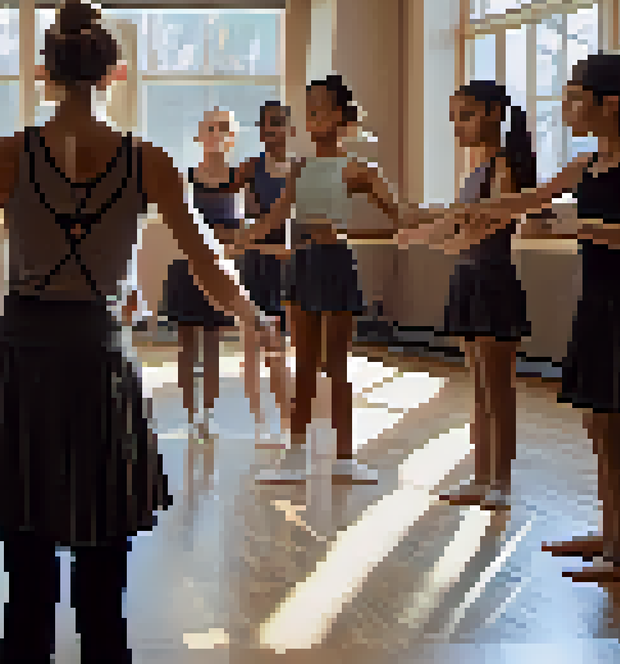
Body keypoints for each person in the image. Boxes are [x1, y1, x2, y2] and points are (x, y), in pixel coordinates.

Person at [0, 0, 279, 663]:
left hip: (23, 363)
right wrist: (253, 316)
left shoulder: (1, 156)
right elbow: (208, 263)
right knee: (104, 585)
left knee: (28, 579)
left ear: (44, 73)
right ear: (113, 74)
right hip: (100, 363)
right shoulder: (147, 160)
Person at [402, 54, 620, 582]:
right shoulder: (583, 166)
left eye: (576, 97)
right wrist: (460, 218)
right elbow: (528, 201)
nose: (568, 107)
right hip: (596, 305)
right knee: (598, 428)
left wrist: (592, 229)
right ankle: (611, 532)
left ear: (610, 102)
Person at [237, 75, 426, 486]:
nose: (311, 117)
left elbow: (403, 216)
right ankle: (296, 454)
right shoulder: (300, 167)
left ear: (340, 115)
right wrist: (240, 237)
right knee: (301, 364)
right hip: (301, 265)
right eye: (308, 110)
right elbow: (274, 218)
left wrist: (458, 212)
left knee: (336, 366)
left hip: (336, 263)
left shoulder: (360, 170)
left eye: (319, 109)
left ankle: (344, 457)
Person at [424, 81, 534, 511]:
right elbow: (458, 225)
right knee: (478, 389)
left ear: (492, 113)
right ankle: (481, 474)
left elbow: (491, 222)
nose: (458, 127)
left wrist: (449, 233)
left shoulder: (504, 167)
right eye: (454, 119)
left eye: (466, 116)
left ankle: (500, 481)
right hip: (468, 278)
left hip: (494, 281)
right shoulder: (474, 172)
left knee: (497, 389)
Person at [160, 109, 244, 440]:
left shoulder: (238, 179)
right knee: (186, 345)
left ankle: (207, 414)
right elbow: (179, 226)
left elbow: (241, 229)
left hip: (219, 268)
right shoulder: (186, 178)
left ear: (232, 137)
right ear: (199, 136)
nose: (216, 134)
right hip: (186, 267)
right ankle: (188, 413)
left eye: (223, 128)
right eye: (210, 128)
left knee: (213, 345)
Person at [234, 101, 294, 446]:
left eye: (278, 124)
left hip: (292, 264)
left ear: (290, 129)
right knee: (256, 345)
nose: (272, 131)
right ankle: (260, 423)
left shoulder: (300, 169)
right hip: (258, 263)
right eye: (266, 126)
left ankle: (289, 421)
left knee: (286, 348)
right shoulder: (249, 167)